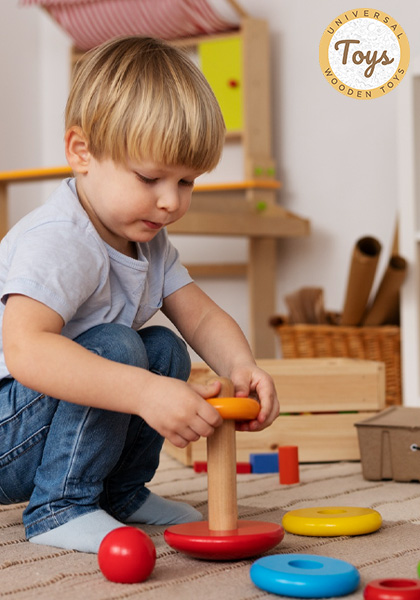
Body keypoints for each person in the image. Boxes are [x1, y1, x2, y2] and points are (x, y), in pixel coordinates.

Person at [0, 36, 279, 554]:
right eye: (150, 177)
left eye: (187, 182)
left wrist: (242, 368)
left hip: (47, 423)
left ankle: (121, 493)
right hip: (7, 436)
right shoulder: (60, 240)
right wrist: (145, 393)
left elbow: (200, 316)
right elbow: (26, 351)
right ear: (81, 152)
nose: (171, 201)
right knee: (117, 346)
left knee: (164, 346)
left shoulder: (146, 238)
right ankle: (60, 505)